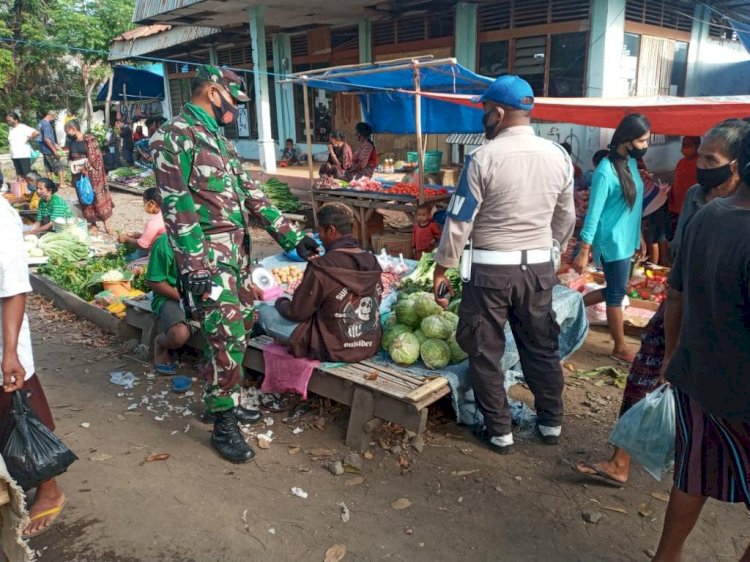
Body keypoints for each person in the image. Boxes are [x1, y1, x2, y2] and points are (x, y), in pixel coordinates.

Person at [150, 65, 320, 463]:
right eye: (232, 100)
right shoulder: (175, 136)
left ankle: (217, 400)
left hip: (236, 254)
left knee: (240, 325)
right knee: (225, 335)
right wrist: (195, 266)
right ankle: (224, 424)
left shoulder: (219, 140)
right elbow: (177, 206)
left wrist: (294, 239)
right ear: (213, 92)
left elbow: (252, 194)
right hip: (207, 255)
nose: (234, 110)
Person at [573, 118, 750, 487]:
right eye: (699, 156)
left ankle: (697, 464)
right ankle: (620, 461)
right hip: (680, 303)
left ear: (737, 164)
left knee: (708, 404)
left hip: (726, 319)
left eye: (709, 158)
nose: (701, 165)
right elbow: (682, 264)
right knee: (643, 376)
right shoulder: (695, 199)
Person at [432, 75, 576, 453]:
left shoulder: (483, 157)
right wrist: (551, 251)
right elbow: (565, 217)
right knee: (541, 345)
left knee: (485, 349)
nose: (484, 119)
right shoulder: (558, 156)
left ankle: (500, 431)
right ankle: (550, 423)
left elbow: (460, 219)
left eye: (484, 111)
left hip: (491, 272)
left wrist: (442, 266)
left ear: (497, 112)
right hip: (538, 271)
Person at [652, 129, 750, 562]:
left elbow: (675, 295)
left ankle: (665, 557)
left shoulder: (707, 217)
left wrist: (672, 355)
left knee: (694, 474)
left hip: (695, 374)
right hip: (739, 389)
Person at [0, 194, 68, 537]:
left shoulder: (2, 215)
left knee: (21, 412)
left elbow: (13, 288)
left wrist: (9, 351)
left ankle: (49, 488)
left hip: (3, 345)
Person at [573, 114, 650, 364]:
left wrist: (638, 234)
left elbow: (632, 204)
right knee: (616, 293)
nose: (645, 146)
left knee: (615, 290)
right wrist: (585, 248)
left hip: (627, 239)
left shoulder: (629, 164)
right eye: (642, 141)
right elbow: (593, 212)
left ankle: (573, 306)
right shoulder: (606, 170)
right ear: (627, 140)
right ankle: (619, 346)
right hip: (612, 241)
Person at [275, 203, 383, 361]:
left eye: (320, 232)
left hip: (330, 348)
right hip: (368, 345)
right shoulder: (372, 260)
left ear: (331, 230)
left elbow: (297, 312)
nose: (320, 238)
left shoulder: (320, 267)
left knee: (265, 312)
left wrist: (280, 302)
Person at [145, 233, 191, 374]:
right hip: (172, 297)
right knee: (179, 335)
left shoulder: (216, 238)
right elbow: (154, 281)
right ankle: (161, 344)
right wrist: (184, 298)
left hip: (208, 296)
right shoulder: (165, 243)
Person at [64, 119, 115, 235]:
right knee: (85, 199)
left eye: (67, 131)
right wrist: (72, 165)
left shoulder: (89, 139)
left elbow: (96, 157)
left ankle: (107, 225)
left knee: (98, 197)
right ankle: (93, 224)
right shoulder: (71, 142)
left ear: (73, 129)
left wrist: (85, 168)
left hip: (93, 175)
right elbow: (71, 157)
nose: (67, 134)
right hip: (78, 174)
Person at [638, 159, 671, 265]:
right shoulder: (634, 171)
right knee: (661, 236)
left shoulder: (624, 178)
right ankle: (665, 263)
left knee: (652, 239)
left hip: (652, 205)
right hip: (661, 198)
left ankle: (653, 266)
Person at [118, 187, 166, 258]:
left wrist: (126, 239)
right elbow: (157, 236)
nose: (144, 205)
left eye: (144, 202)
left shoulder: (154, 222)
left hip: (158, 253)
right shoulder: (166, 214)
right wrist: (139, 235)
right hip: (167, 247)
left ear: (152, 203)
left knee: (131, 260)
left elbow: (143, 246)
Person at [668, 135, 700, 236]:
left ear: (697, 146)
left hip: (693, 208)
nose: (685, 148)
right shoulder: (681, 162)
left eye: (688, 145)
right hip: (677, 208)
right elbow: (676, 181)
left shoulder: (701, 163)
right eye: (683, 145)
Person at [5, 112, 40, 193]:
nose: (8, 122)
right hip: (14, 155)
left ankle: (33, 191)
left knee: (27, 174)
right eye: (7, 120)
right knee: (19, 175)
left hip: (23, 155)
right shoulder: (11, 128)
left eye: (9, 120)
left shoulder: (23, 127)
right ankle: (24, 191)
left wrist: (29, 138)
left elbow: (36, 132)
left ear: (16, 120)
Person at [37, 109, 65, 188]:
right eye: (54, 118)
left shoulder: (41, 123)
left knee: (48, 167)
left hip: (44, 149)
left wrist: (56, 145)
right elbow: (47, 139)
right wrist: (54, 150)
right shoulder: (46, 124)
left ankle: (50, 184)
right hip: (49, 150)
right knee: (59, 166)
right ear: (51, 116)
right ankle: (62, 183)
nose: (53, 120)